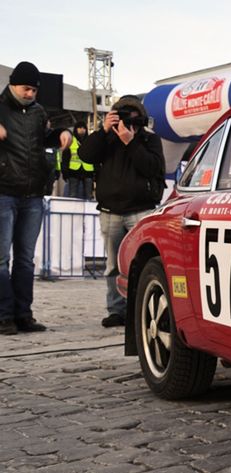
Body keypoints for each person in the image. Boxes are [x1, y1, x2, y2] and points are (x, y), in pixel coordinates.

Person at [78, 95, 166, 328]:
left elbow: (153, 168)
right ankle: (116, 310)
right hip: (111, 211)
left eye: (133, 118)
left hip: (141, 210)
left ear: (141, 118)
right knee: (113, 264)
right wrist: (103, 130)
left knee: (144, 263)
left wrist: (131, 142)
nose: (128, 123)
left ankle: (141, 309)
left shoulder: (149, 139)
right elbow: (86, 156)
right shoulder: (106, 139)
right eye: (122, 116)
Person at [0, 62, 68, 334]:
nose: (30, 94)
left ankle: (23, 314)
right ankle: (4, 315)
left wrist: (60, 134)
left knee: (26, 259)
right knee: (1, 258)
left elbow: (43, 139)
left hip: (33, 195)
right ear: (13, 84)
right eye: (26, 88)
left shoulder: (39, 112)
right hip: (3, 192)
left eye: (34, 90)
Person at [61, 124, 95, 199]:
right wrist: (64, 171)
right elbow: (65, 157)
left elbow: (94, 156)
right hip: (73, 171)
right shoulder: (70, 140)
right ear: (76, 129)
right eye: (79, 127)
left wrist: (96, 171)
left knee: (89, 196)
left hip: (88, 171)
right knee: (72, 195)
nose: (82, 129)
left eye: (84, 128)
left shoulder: (90, 141)